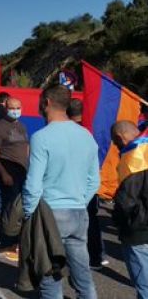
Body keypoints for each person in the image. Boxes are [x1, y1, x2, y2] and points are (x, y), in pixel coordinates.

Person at [23, 85, 99, 299]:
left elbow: (33, 183)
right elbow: (94, 181)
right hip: (78, 212)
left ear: (46, 102)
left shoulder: (41, 137)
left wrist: (29, 214)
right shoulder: (86, 135)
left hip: (50, 214)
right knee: (83, 277)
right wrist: (80, 202)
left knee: (50, 277)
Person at [68, 98, 109, 270]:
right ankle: (97, 256)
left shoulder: (69, 133)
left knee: (70, 225)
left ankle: (74, 261)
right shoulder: (93, 130)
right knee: (91, 220)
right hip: (91, 183)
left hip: (72, 185)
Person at [0, 96, 29, 262]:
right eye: (13, 108)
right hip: (9, 175)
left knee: (19, 211)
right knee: (8, 210)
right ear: (6, 108)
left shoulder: (21, 125)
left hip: (23, 174)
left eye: (18, 107)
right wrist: (4, 173)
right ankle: (6, 245)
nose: (16, 110)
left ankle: (16, 243)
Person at [111, 120, 148, 299]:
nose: (116, 147)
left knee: (144, 284)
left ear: (121, 137)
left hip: (138, 230)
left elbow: (127, 201)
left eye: (115, 142)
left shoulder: (134, 158)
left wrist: (118, 219)